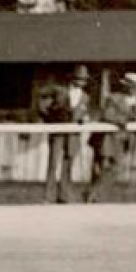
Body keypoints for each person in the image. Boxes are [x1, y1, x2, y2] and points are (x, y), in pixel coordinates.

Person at [85, 72, 136, 203]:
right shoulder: (114, 98)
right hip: (108, 138)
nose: (134, 89)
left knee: (116, 167)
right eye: (131, 86)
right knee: (104, 166)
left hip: (125, 139)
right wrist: (123, 120)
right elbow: (108, 115)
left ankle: (94, 193)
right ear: (125, 86)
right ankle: (94, 195)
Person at [36, 65, 92, 203]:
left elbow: (83, 113)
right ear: (72, 79)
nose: (81, 82)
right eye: (79, 79)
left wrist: (84, 118)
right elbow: (40, 98)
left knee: (68, 164)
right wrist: (47, 116)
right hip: (58, 131)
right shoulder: (59, 90)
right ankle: (48, 196)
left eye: (84, 80)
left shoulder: (85, 97)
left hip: (73, 134)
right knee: (53, 163)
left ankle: (63, 196)